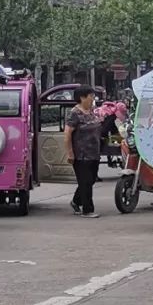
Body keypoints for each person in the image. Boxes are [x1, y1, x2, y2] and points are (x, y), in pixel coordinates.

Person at [65, 85, 103, 218]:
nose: (93, 99)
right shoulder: (74, 113)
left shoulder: (92, 111)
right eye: (91, 96)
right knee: (85, 182)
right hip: (81, 155)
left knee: (91, 180)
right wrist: (70, 153)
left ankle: (76, 201)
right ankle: (87, 210)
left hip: (94, 152)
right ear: (82, 98)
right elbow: (68, 134)